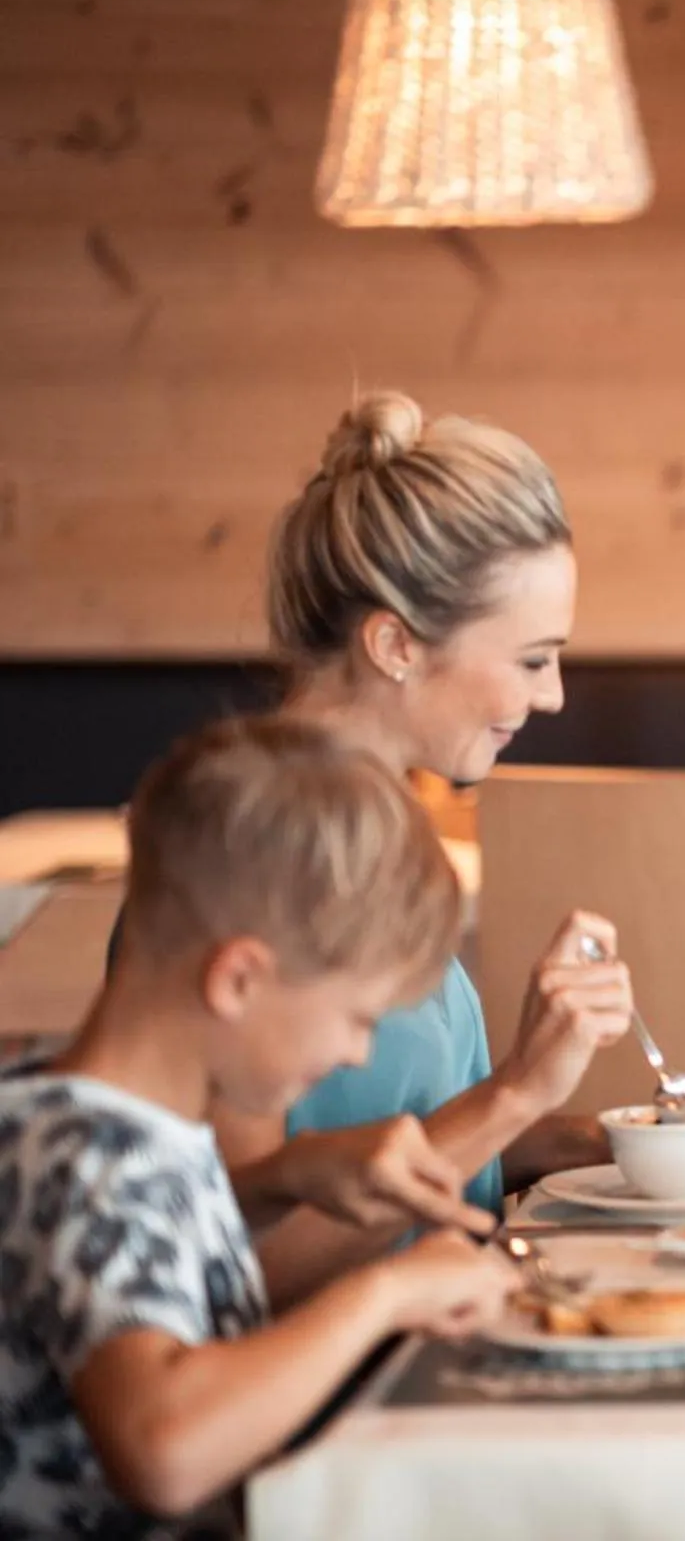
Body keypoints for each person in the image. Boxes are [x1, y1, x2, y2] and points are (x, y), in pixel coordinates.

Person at [1, 716, 523, 1537]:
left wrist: (281, 1181)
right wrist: (385, 1293)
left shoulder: (71, 1121)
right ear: (239, 978)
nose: (357, 1055)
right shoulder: (97, 1159)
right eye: (357, 1019)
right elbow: (164, 1452)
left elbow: (137, 1265)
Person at [222, 390, 638, 1303]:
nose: (556, 694)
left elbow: (403, 1140)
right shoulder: (241, 857)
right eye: (533, 659)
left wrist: (605, 1139)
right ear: (395, 644)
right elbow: (244, 1269)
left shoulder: (383, 830)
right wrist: (517, 1092)